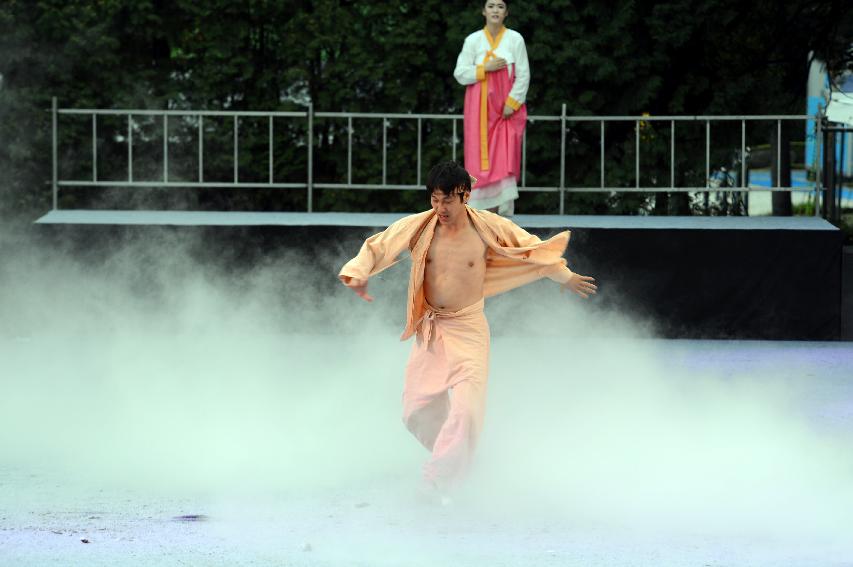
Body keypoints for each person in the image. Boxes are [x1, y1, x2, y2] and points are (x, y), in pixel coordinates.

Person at [338, 161, 596, 500]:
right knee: (414, 411)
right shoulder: (419, 227)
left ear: (466, 196)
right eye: (434, 199)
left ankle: (437, 479)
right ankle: (460, 458)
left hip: (469, 328)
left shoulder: (487, 227)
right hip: (430, 328)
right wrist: (357, 273)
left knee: (466, 409)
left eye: (448, 200)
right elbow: (378, 245)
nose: (440, 208)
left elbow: (531, 249)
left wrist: (566, 277)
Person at [454, 0, 529, 216]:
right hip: (478, 112)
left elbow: (523, 74)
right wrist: (483, 69)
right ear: (483, 11)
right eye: (491, 5)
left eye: (500, 6)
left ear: (506, 12)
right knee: (478, 158)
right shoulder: (473, 40)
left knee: (504, 157)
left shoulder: (515, 39)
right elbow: (460, 73)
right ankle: (477, 217)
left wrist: (512, 103)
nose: (495, 10)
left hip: (505, 112)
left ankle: (502, 219)